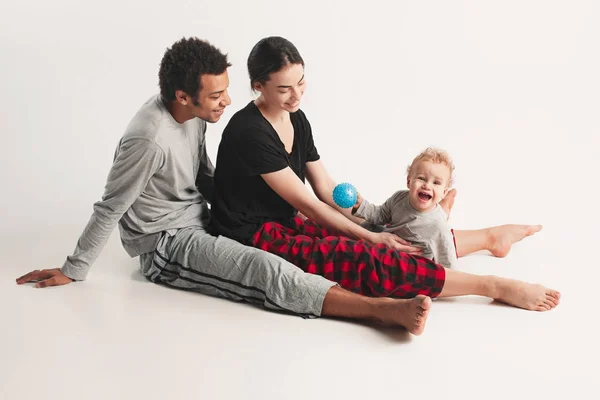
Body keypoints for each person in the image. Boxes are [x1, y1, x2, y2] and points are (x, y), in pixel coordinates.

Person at [15, 37, 444, 336]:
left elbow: (203, 173)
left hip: (206, 220)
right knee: (268, 271)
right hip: (166, 243)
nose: (226, 101)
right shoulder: (148, 139)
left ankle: (413, 267)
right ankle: (386, 312)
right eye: (216, 95)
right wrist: (75, 267)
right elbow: (110, 206)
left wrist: (234, 208)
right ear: (183, 96)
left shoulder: (195, 117)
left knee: (305, 240)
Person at [209, 36, 560, 314]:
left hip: (285, 218)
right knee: (366, 255)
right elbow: (311, 207)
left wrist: (367, 218)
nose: (297, 95)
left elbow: (325, 188)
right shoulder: (250, 132)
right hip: (252, 233)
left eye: (301, 82)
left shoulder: (296, 118)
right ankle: (493, 287)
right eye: (284, 89)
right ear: (258, 86)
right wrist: (371, 240)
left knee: (381, 230)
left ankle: (487, 238)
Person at [352, 147, 458, 268]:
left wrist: (449, 282)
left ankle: (445, 206)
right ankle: (445, 207)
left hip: (410, 264)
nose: (427, 186)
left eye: (436, 183)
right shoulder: (399, 198)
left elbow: (447, 259)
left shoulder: (438, 226)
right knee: (366, 228)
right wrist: (361, 205)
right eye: (421, 178)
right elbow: (380, 215)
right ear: (409, 181)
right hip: (388, 244)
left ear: (443, 192)